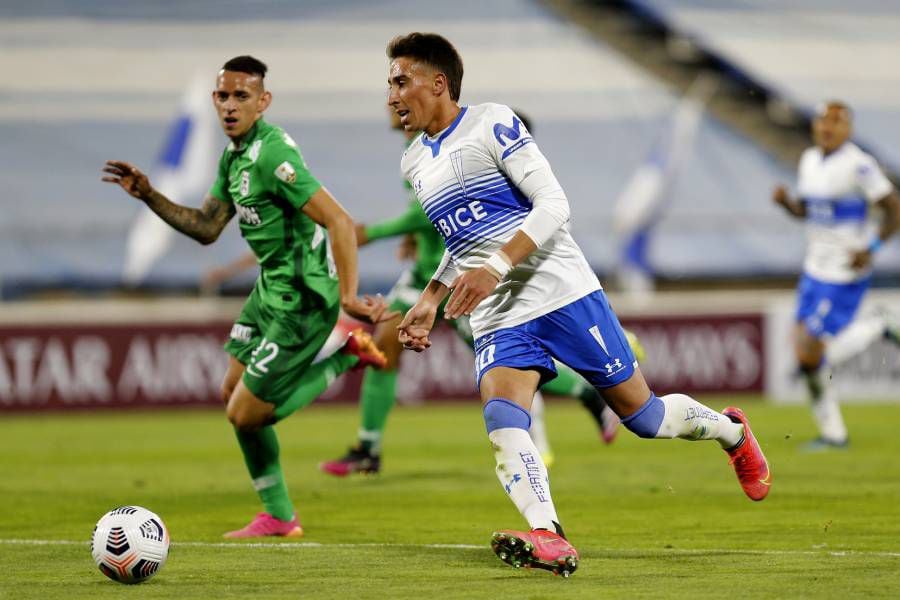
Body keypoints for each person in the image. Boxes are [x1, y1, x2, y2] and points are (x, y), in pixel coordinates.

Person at [388, 32, 771, 577]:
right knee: (502, 414)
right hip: (499, 312)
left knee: (645, 416)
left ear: (438, 82)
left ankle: (732, 432)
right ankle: (549, 535)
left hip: (561, 290)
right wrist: (432, 296)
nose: (392, 95)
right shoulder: (413, 163)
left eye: (401, 81)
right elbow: (462, 244)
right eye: (390, 84)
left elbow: (553, 206)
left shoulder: (490, 123)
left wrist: (494, 268)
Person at [102, 55, 395, 538]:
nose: (230, 105)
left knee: (246, 412)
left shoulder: (271, 154)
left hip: (302, 299)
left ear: (264, 101)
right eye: (223, 95)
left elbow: (339, 220)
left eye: (242, 96)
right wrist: (150, 195)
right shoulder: (234, 157)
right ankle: (280, 517)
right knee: (229, 395)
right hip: (269, 291)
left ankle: (345, 355)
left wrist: (348, 297)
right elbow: (206, 228)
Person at [320, 111, 644, 476]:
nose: (393, 104)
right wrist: (413, 235)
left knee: (510, 363)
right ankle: (368, 446)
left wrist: (377, 232)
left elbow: (455, 213)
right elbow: (432, 214)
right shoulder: (413, 152)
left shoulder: (450, 144)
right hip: (424, 276)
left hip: (465, 275)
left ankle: (588, 392)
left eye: (401, 89)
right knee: (384, 344)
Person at [772, 101, 900, 450]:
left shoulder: (859, 164)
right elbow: (809, 211)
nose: (828, 127)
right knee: (804, 356)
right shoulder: (809, 160)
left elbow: (894, 208)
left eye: (836, 122)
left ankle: (879, 324)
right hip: (813, 269)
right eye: (823, 121)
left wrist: (871, 248)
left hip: (845, 271)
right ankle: (833, 434)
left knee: (812, 346)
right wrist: (787, 204)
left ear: (848, 129)